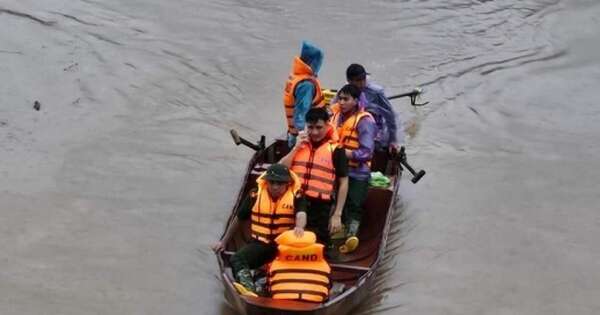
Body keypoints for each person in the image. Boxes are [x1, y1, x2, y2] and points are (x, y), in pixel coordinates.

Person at [212, 164, 307, 297]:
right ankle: (249, 289)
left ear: (287, 183)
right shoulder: (255, 194)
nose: (275, 187)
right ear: (266, 182)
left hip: (285, 246)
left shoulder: (297, 195)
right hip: (260, 244)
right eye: (272, 182)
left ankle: (278, 285)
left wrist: (299, 227)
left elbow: (301, 214)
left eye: (279, 183)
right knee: (236, 259)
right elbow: (239, 218)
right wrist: (223, 241)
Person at [279, 107, 349, 247]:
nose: (315, 132)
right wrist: (296, 148)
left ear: (328, 125)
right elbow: (281, 169)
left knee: (317, 243)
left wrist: (337, 214)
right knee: (286, 241)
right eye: (310, 127)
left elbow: (343, 181)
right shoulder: (298, 143)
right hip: (294, 201)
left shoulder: (336, 150)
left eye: (319, 127)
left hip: (319, 205)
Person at [329, 84, 376, 254]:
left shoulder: (365, 121)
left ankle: (351, 235)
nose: (341, 102)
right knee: (330, 201)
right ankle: (334, 232)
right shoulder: (334, 117)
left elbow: (366, 152)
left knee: (354, 205)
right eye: (340, 98)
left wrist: (342, 153)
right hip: (335, 169)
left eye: (346, 99)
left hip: (357, 172)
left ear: (356, 101)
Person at [345, 63, 404, 152]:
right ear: (349, 81)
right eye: (358, 80)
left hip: (376, 128)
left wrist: (393, 140)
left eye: (363, 79)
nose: (362, 83)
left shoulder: (376, 92)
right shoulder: (345, 91)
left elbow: (390, 115)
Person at [268, 230, 331, 302]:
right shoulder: (323, 263)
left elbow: (269, 286)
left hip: (282, 305)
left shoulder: (275, 264)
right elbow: (328, 285)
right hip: (314, 304)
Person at [283, 41, 325, 147]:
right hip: (309, 131)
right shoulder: (306, 85)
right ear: (312, 63)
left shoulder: (296, 76)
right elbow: (301, 112)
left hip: (294, 130)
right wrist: (301, 135)